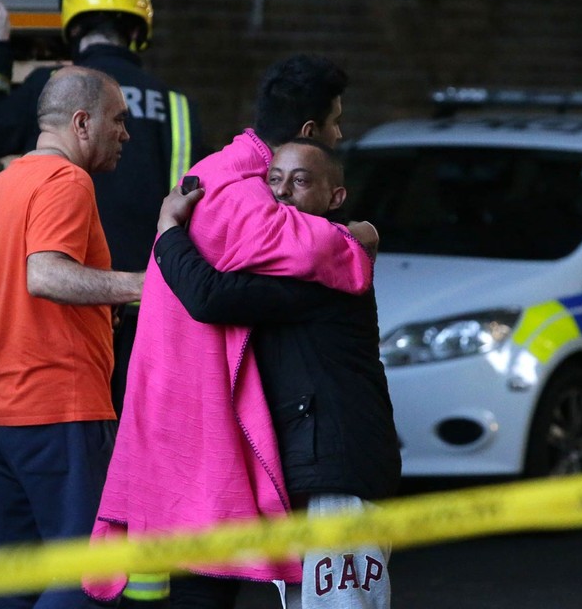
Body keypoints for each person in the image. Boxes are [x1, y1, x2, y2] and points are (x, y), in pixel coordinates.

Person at [85, 55, 377, 608]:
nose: (341, 133)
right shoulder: (242, 194)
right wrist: (358, 240)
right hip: (198, 416)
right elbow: (305, 252)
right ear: (309, 131)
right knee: (203, 585)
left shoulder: (216, 171)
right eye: (336, 122)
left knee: (196, 579)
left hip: (176, 406)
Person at [154, 138, 401, 608]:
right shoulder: (300, 253)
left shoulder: (325, 260)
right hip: (317, 463)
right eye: (274, 179)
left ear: (335, 197)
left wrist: (168, 231)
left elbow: (210, 297)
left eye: (301, 180)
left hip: (338, 468)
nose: (283, 192)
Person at [0, 0, 209, 416]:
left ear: (72, 29)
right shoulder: (178, 107)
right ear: (138, 32)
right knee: (140, 434)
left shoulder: (51, 87)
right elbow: (201, 208)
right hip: (151, 310)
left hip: (62, 319)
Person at [0, 65, 145, 609]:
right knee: (86, 581)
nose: (125, 133)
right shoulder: (67, 181)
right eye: (118, 120)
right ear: (82, 124)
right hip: (55, 410)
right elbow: (46, 274)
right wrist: (142, 286)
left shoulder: (1, 185)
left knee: (14, 585)